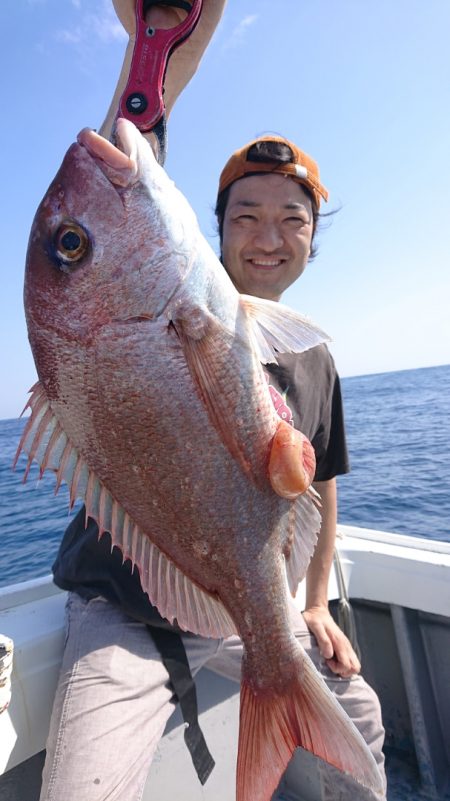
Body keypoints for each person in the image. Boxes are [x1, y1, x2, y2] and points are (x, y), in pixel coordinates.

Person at [39, 3, 387, 801]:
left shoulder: (312, 352)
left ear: (311, 237)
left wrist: (312, 602)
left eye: (291, 221)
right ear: (212, 229)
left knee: (363, 718)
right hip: (124, 605)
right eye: (247, 217)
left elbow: (321, 485)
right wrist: (154, 60)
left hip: (246, 608)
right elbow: (116, 166)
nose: (269, 236)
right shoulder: (183, 300)